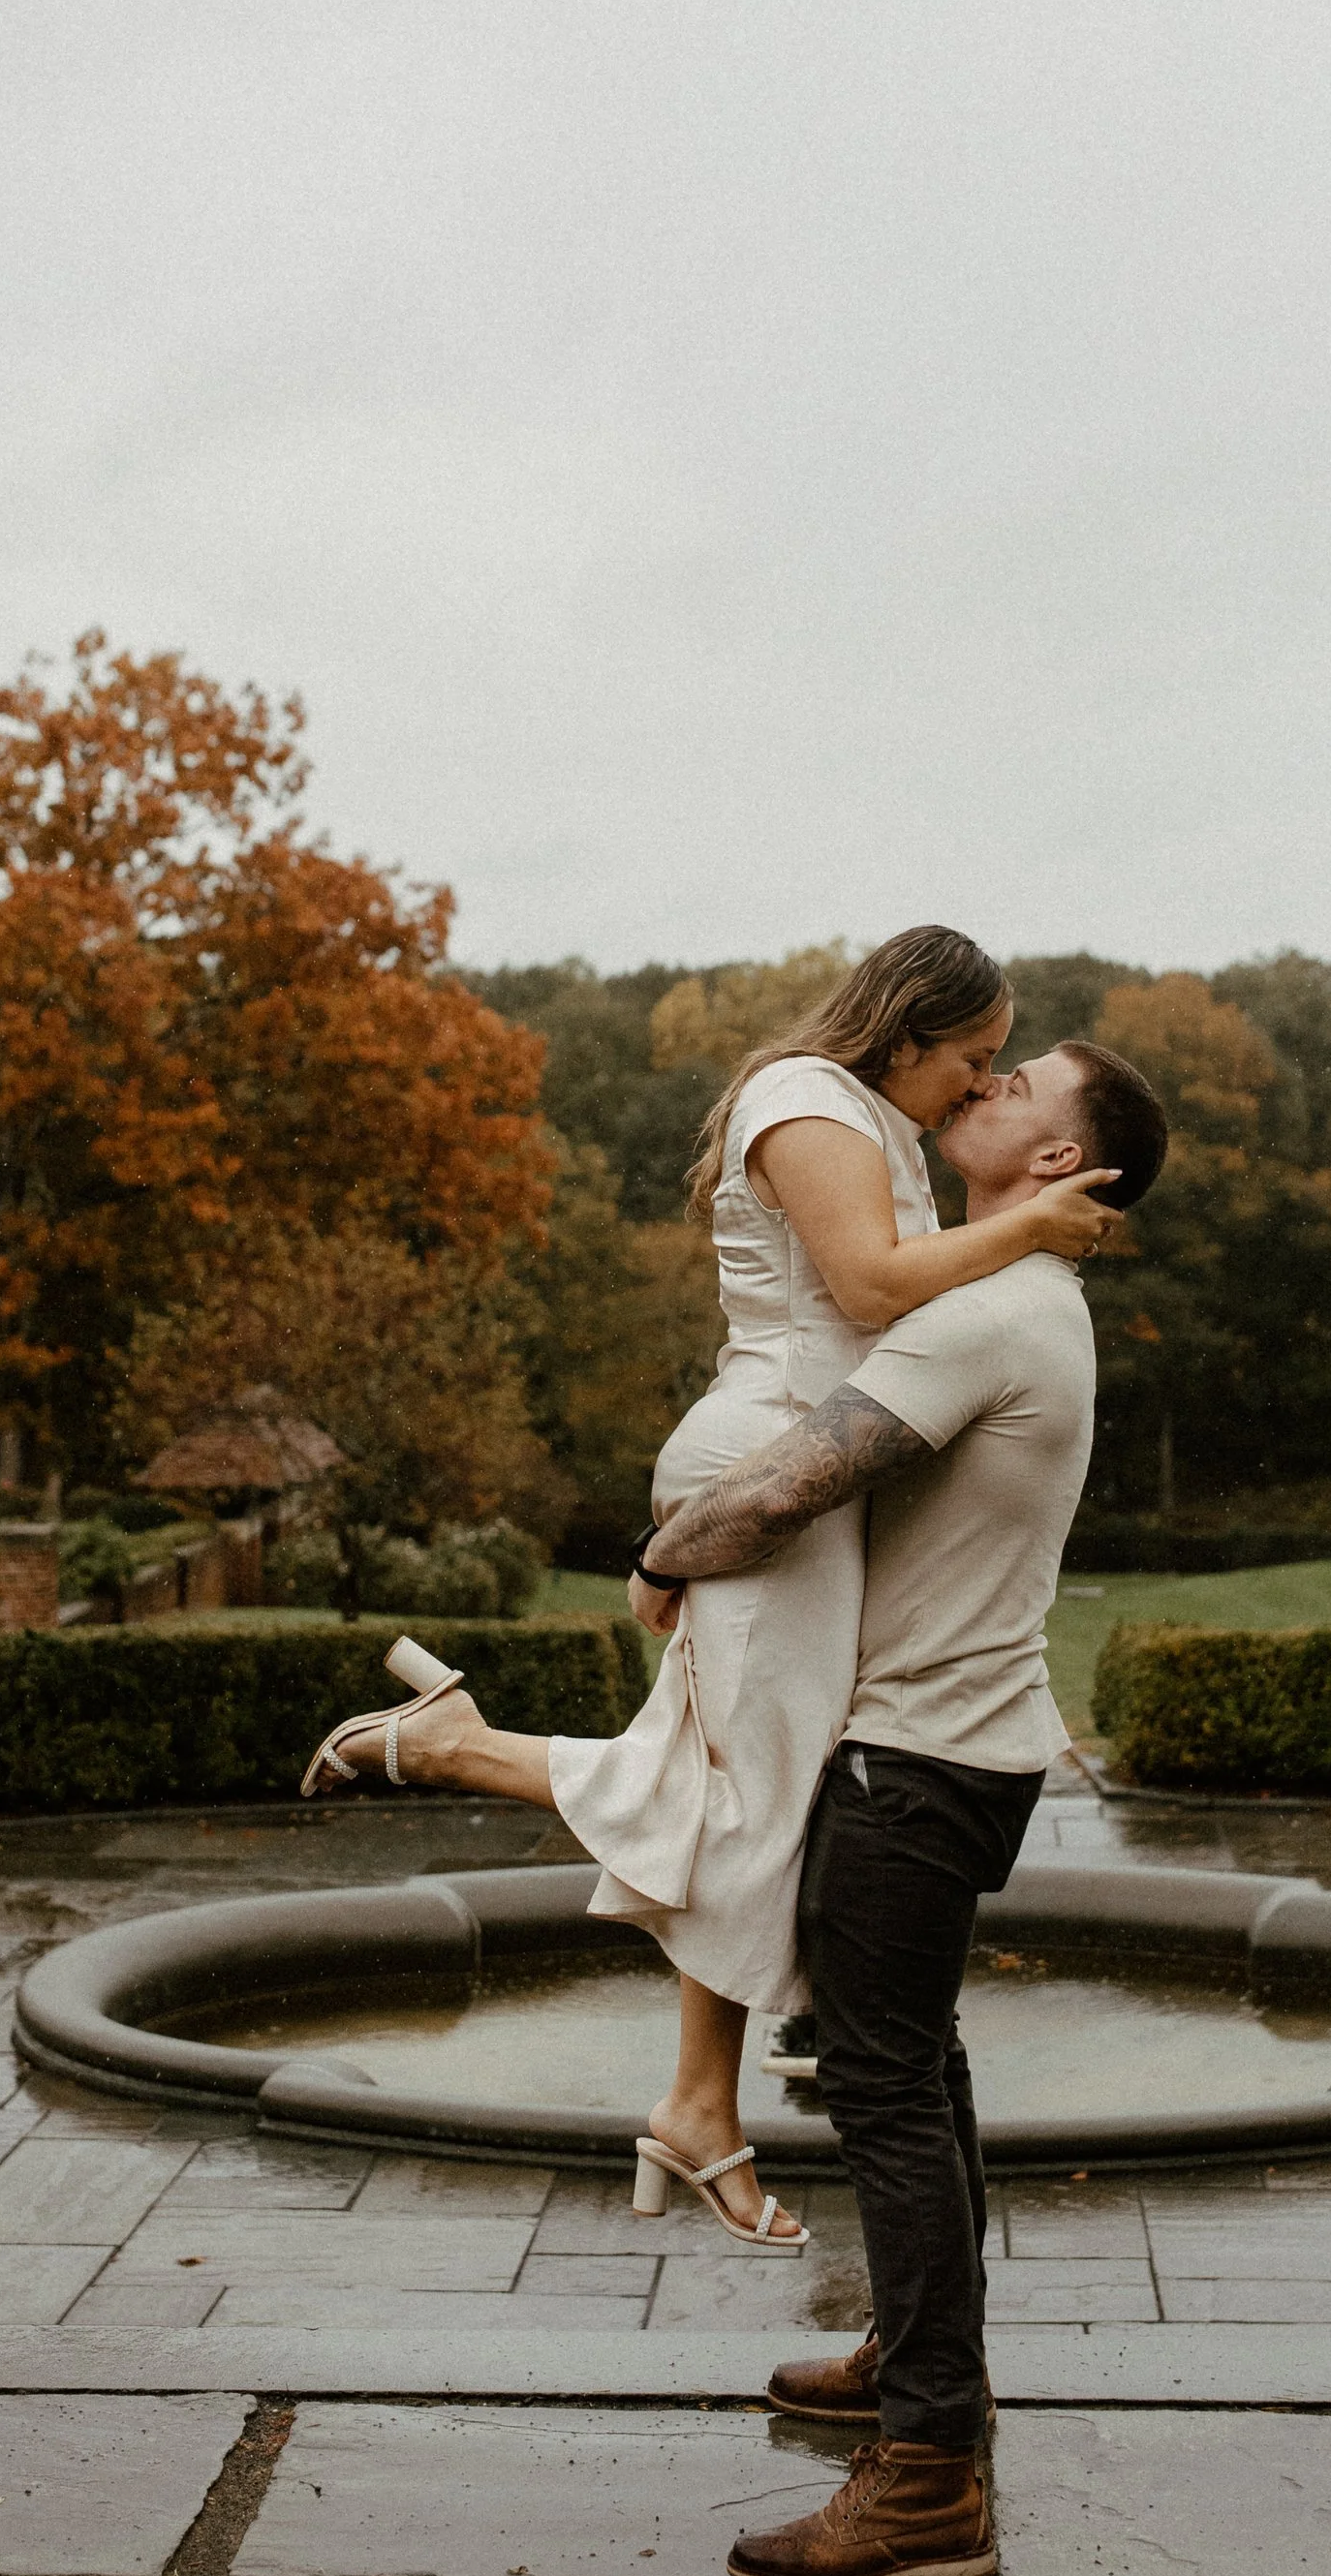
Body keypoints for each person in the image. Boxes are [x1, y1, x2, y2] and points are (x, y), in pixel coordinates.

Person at [296, 929, 1121, 2255]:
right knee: (761, 1790)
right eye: (972, 1058)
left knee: (752, 1782)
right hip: (764, 1460)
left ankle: (683, 2083)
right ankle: (682, 2087)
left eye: (996, 1074)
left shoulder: (877, 1124)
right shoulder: (804, 1099)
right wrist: (1026, 1226)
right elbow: (861, 1288)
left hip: (807, 1466)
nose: (977, 1085)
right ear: (907, 1028)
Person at [628, 1031, 1169, 2576]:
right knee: (918, 2068)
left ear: (1063, 1161)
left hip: (916, 1761)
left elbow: (785, 1487)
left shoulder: (986, 1315)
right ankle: (923, 2371)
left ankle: (928, 2476)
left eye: (1020, 1089)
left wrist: (667, 1551)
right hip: (971, 1749)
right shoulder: (1025, 1298)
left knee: (882, 2090)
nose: (985, 1092)